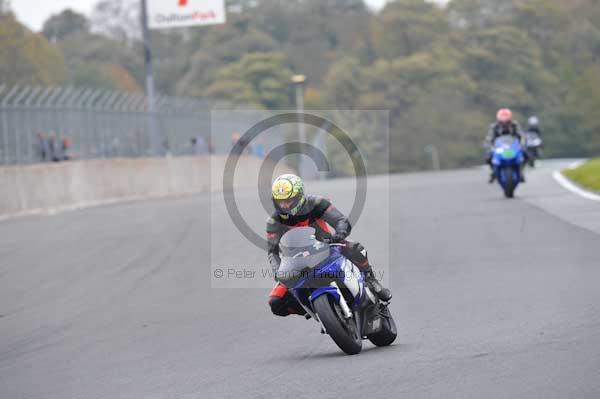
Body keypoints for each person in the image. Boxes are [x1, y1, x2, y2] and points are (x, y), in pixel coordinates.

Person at [266, 174, 391, 317]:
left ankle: (371, 279)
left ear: (299, 196)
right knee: (275, 302)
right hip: (297, 261)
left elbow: (340, 220)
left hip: (327, 246)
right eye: (280, 202)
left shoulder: (317, 203)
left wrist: (339, 234)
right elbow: (272, 252)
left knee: (356, 248)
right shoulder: (273, 222)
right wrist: (277, 271)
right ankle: (312, 308)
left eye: (289, 201)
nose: (285, 206)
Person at [485, 108, 526, 183]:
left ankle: (521, 171)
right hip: (499, 148)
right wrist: (490, 147)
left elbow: (521, 136)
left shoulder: (515, 125)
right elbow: (489, 138)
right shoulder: (494, 127)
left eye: (506, 122)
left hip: (513, 147)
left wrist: (522, 145)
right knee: (488, 157)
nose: (504, 124)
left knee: (525, 154)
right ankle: (493, 172)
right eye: (502, 122)